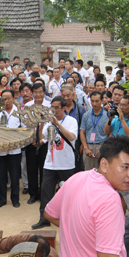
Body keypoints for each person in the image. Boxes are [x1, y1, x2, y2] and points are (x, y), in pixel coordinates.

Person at [32, 96, 79, 230]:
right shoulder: (48, 123)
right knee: (46, 192)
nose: (54, 111)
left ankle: (71, 218)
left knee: (69, 193)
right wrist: (42, 123)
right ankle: (44, 219)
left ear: (64, 108)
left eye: (57, 108)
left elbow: (71, 137)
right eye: (52, 108)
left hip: (67, 164)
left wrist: (57, 124)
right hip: (50, 163)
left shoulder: (71, 121)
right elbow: (42, 140)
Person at [0, 89, 23, 208]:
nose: (6, 101)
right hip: (0, 150)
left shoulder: (19, 113)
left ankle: (15, 199)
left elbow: (24, 129)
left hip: (15, 150)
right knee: (0, 176)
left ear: (13, 99)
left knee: (15, 175)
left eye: (9, 98)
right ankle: (1, 200)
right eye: (3, 99)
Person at [80, 91, 109, 171]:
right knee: (88, 173)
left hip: (102, 146)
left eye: (97, 101)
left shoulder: (107, 116)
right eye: (92, 101)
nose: (94, 103)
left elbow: (110, 134)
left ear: (102, 101)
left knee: (101, 173)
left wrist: (103, 148)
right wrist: (85, 148)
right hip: (89, 146)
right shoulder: (86, 115)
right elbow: (82, 132)